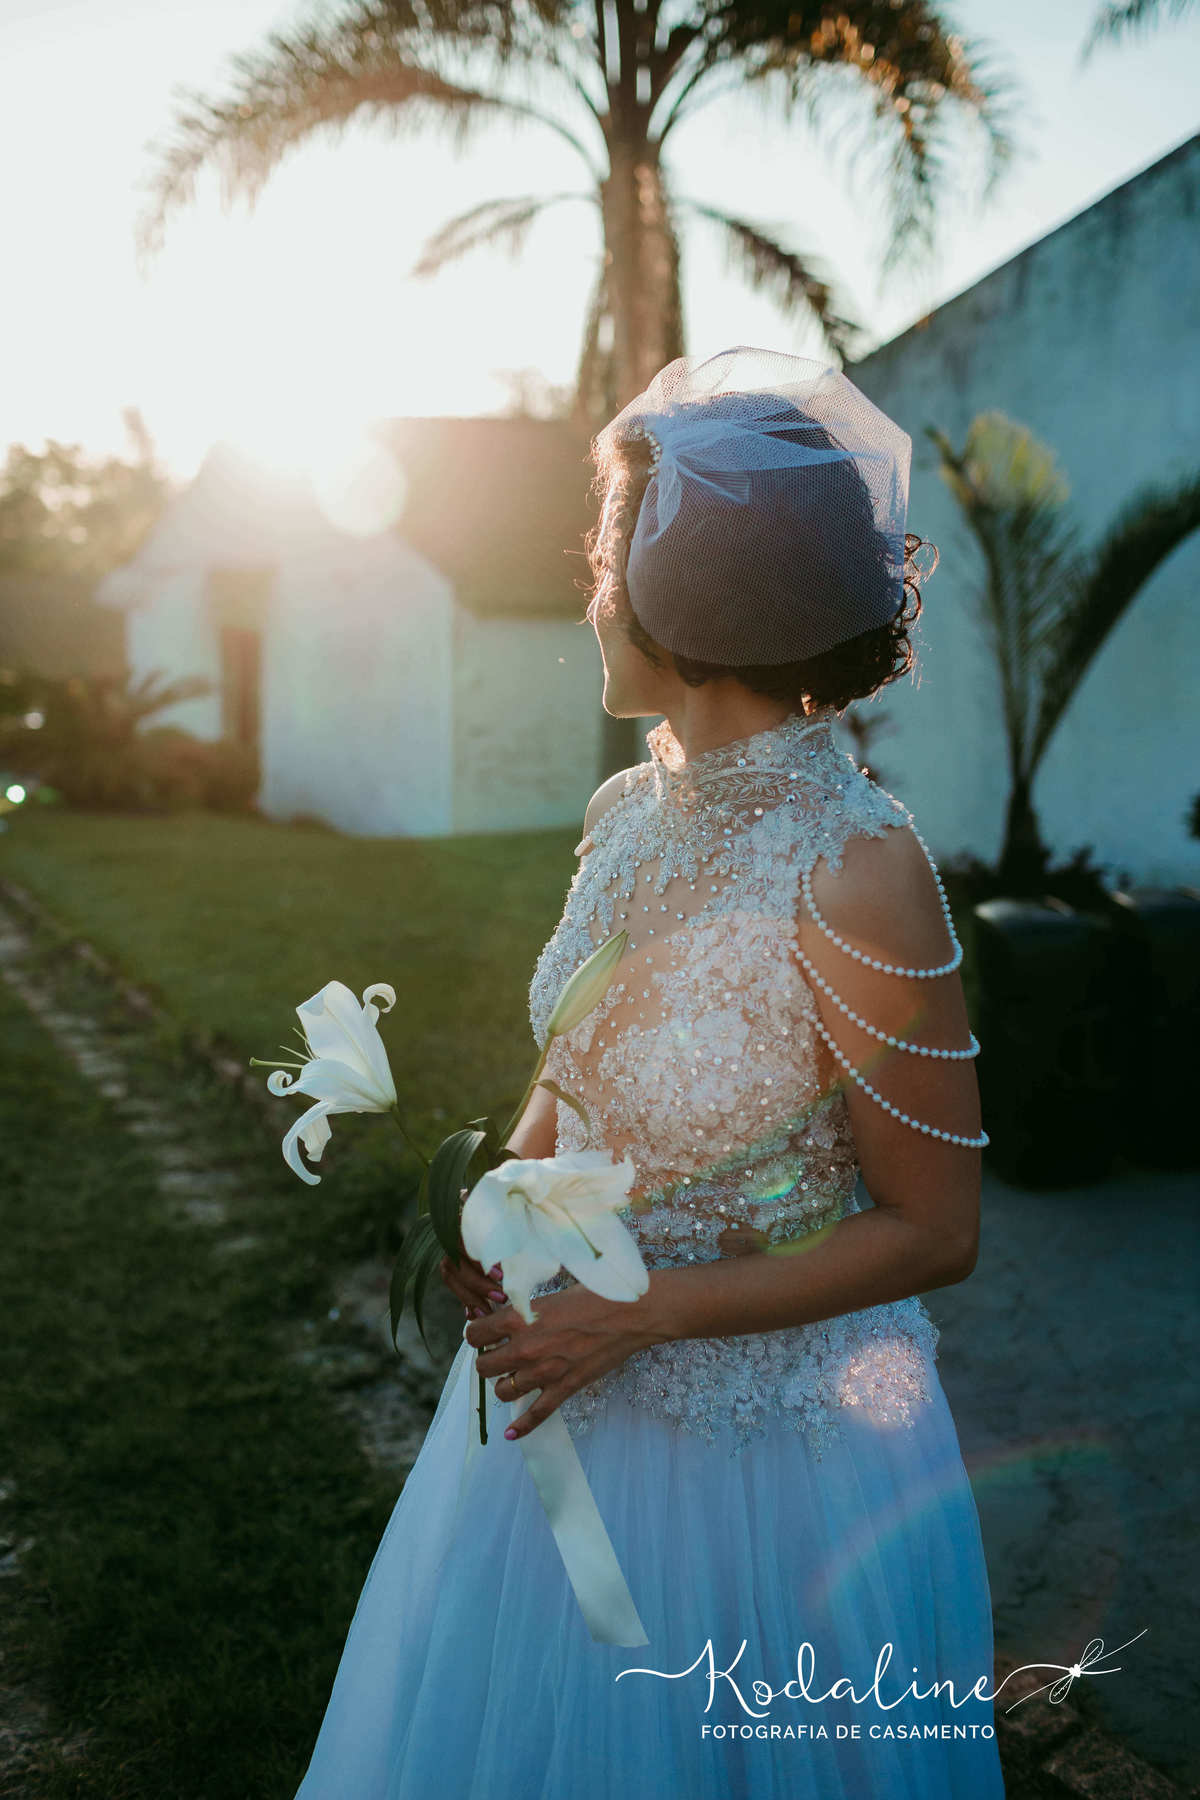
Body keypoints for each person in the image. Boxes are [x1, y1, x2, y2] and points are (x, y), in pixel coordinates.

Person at [293, 347, 1006, 1798]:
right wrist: (495, 1198)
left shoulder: (859, 867)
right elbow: (576, 1071)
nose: (590, 595)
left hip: (772, 1464)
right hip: (566, 1394)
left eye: (606, 559)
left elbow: (935, 1229)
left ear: (691, 601)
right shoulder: (625, 810)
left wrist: (644, 1315)